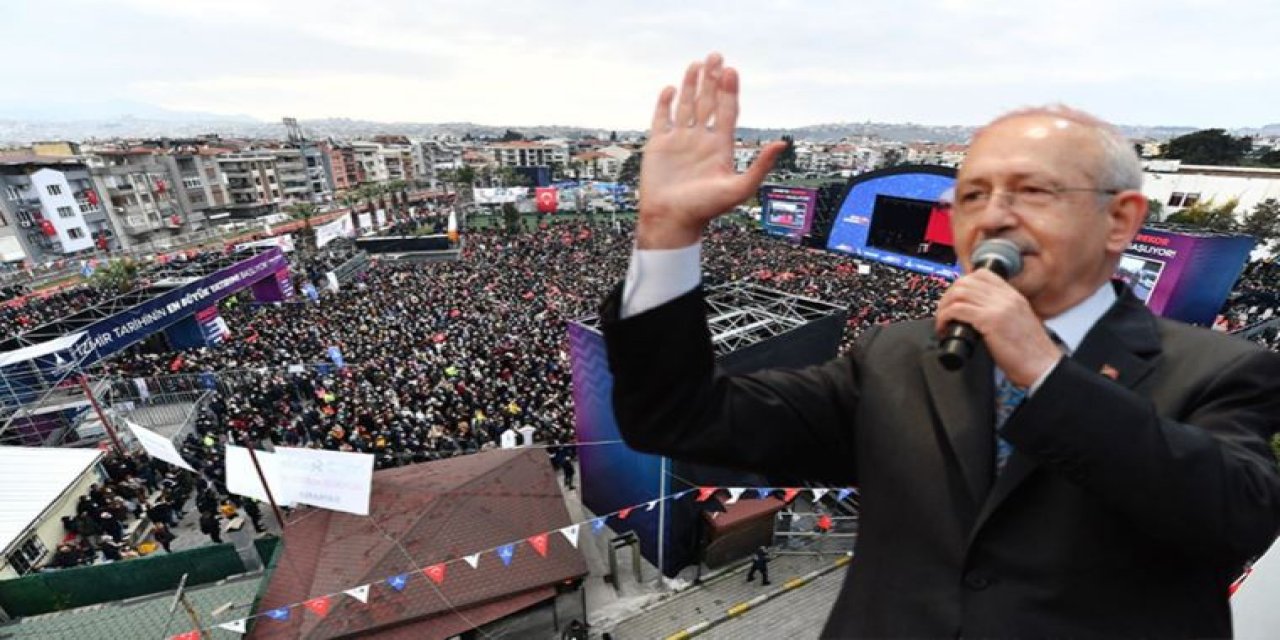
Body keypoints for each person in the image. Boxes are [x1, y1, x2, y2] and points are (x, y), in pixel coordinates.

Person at [599, 53, 1280, 637]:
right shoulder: (897, 357)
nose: (994, 216)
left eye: (1032, 191)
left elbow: (1235, 520)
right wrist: (666, 232)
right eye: (972, 195)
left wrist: (1047, 375)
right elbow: (678, 419)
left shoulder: (1222, 369)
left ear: (1120, 220)